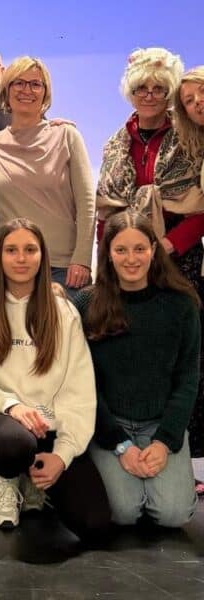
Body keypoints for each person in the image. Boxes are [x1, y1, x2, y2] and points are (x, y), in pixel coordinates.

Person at [0, 218, 110, 539]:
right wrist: (12, 406)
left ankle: (34, 479)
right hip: (1, 426)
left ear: (42, 256)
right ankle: (7, 477)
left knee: (94, 522)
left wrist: (62, 455)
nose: (21, 258)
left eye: (30, 250)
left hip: (49, 428)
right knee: (15, 443)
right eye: (11, 250)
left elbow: (78, 391)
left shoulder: (63, 312)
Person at [98, 50, 204, 486]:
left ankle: (183, 458)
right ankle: (130, 445)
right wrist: (107, 256)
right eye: (142, 87)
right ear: (130, 91)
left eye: (159, 89)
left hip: (178, 256)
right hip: (127, 259)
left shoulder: (189, 137)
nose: (150, 95)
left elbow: (200, 203)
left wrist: (169, 245)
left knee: (183, 355)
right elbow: (107, 205)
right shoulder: (115, 142)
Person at [75, 210, 200, 527]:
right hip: (109, 424)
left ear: (154, 250)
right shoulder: (87, 304)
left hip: (160, 422)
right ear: (108, 253)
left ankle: (159, 481)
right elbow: (83, 384)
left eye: (140, 249)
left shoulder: (181, 304)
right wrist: (119, 443)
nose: (131, 259)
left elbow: (187, 378)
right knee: (123, 512)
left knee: (173, 514)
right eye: (121, 250)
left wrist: (164, 441)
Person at [0, 56, 95, 298]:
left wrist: (82, 259)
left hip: (63, 268)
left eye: (35, 84)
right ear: (6, 90)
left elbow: (87, 203)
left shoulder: (66, 136)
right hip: (7, 268)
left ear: (45, 93)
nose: (27, 90)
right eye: (19, 83)